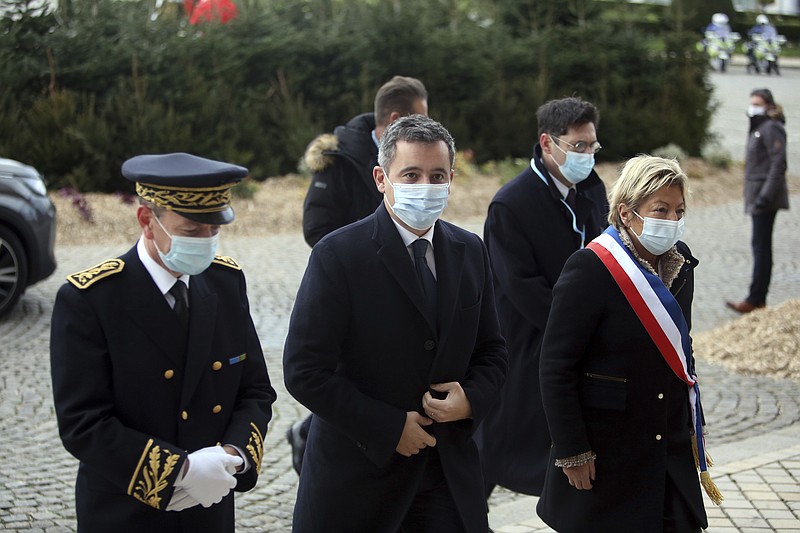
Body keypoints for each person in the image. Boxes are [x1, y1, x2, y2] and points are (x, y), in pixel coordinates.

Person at [283, 115, 508, 532]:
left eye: (437, 175)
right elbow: (304, 371)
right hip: (360, 479)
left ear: (451, 178)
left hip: (447, 474)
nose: (425, 187)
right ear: (381, 178)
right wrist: (388, 428)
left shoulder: (469, 250)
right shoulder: (338, 256)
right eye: (411, 174)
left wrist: (471, 399)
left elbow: (492, 350)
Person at [50, 153, 277, 533]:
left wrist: (232, 456)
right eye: (191, 231)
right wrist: (180, 470)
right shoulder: (91, 299)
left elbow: (255, 390)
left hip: (210, 506)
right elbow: (83, 423)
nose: (206, 242)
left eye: (213, 231)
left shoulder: (224, 282)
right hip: (127, 509)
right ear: (146, 221)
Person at [536, 156, 720, 533]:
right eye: (660, 210)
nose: (671, 220)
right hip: (608, 453)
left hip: (665, 448)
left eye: (678, 210)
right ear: (626, 212)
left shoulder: (679, 263)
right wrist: (572, 450)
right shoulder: (590, 267)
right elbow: (556, 366)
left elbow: (678, 345)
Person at [287, 74, 429, 474]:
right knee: (348, 371)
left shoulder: (415, 156)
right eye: (420, 118)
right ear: (397, 117)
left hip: (403, 278)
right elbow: (316, 227)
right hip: (353, 283)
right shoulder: (340, 157)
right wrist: (365, 253)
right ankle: (311, 434)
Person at [476, 96, 608, 498]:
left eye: (592, 146)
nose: (586, 155)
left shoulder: (591, 187)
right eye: (578, 146)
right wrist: (577, 326)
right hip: (526, 340)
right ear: (547, 143)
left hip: (578, 339)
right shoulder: (511, 204)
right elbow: (521, 287)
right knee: (497, 445)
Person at [727, 89, 788, 314]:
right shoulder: (759, 126)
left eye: (757, 103)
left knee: (761, 247)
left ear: (768, 105)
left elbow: (778, 164)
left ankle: (756, 298)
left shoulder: (771, 127)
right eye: (751, 103)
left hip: (765, 199)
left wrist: (765, 196)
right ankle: (756, 297)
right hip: (758, 197)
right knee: (759, 246)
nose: (753, 107)